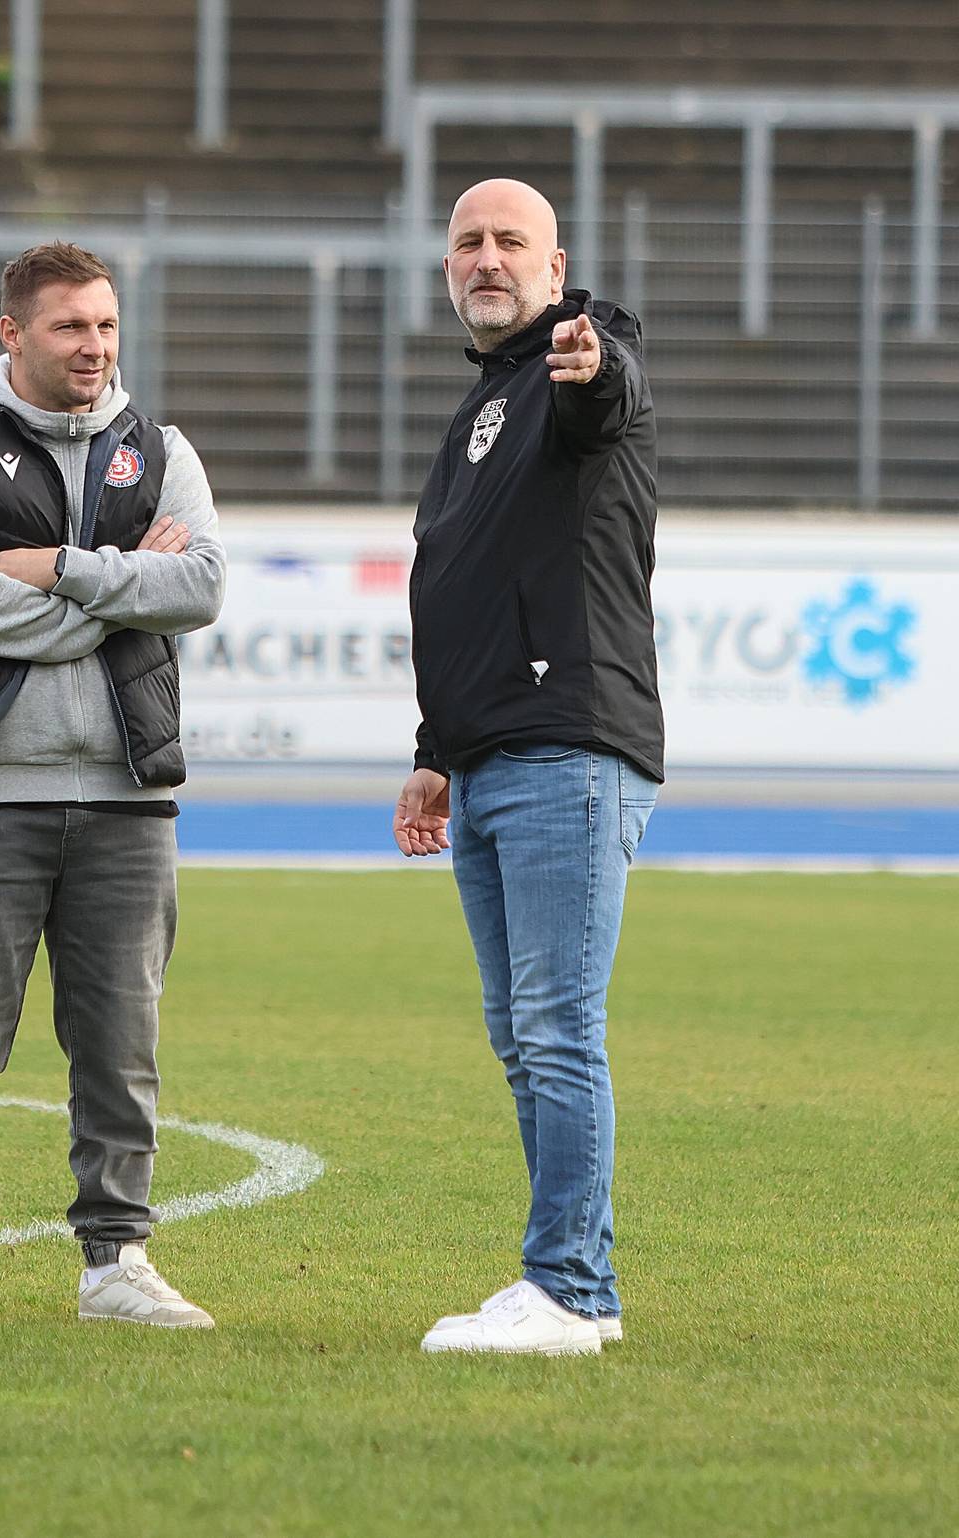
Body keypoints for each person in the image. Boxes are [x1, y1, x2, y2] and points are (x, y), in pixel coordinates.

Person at [0, 241, 226, 1330]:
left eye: (107, 325)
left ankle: (115, 1262)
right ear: (13, 334)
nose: (96, 346)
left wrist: (65, 568)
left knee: (123, 1050)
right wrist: (127, 590)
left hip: (129, 799)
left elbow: (201, 585)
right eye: (71, 325)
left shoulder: (158, 448)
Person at [393, 179, 664, 1357]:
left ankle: (570, 1288)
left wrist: (592, 361)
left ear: (557, 271)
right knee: (526, 1035)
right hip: (494, 755)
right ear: (446, 269)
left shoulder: (574, 363)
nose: (488, 256)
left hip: (567, 747)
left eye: (513, 241)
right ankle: (573, 1280)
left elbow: (610, 391)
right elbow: (467, 583)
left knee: (556, 1027)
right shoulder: (484, 401)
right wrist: (435, 754)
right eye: (468, 241)